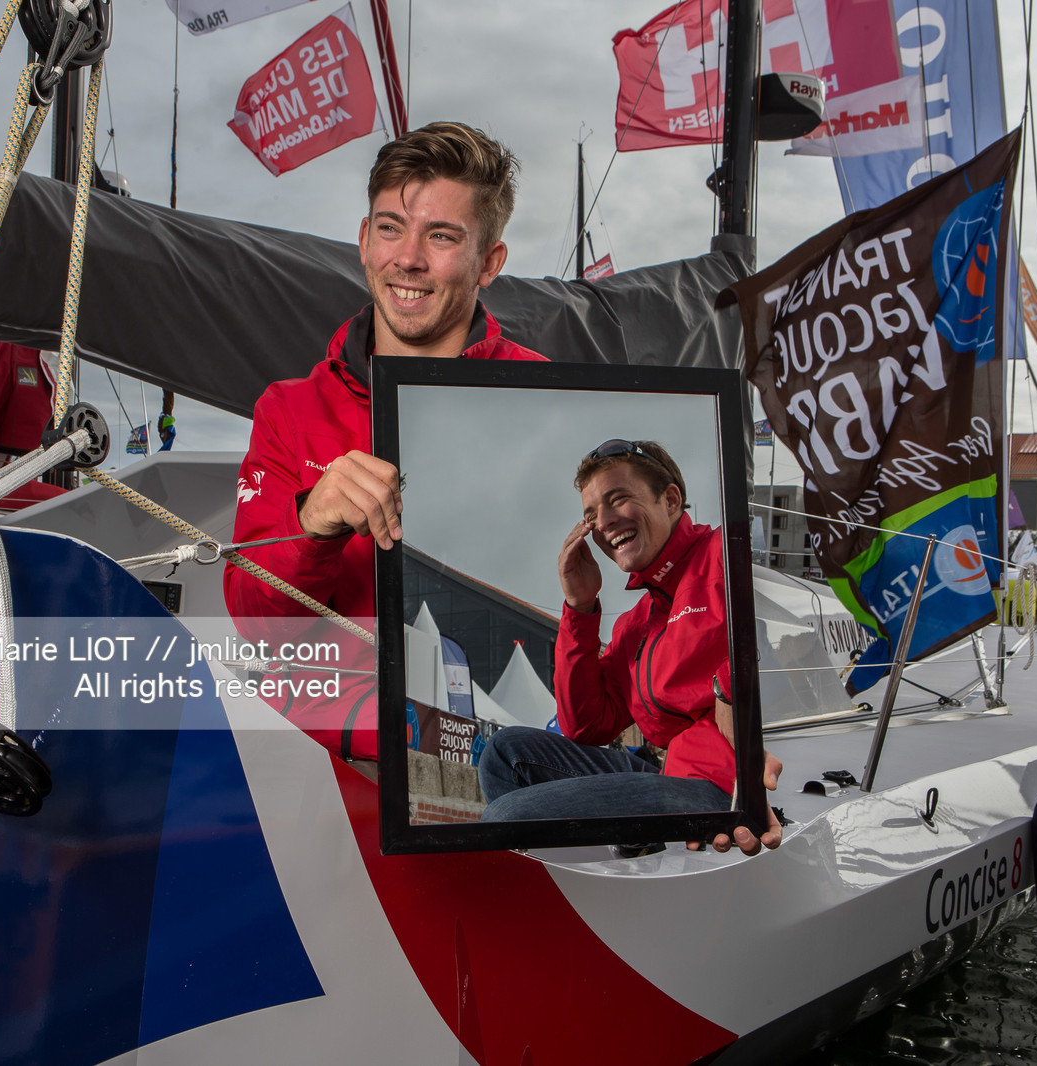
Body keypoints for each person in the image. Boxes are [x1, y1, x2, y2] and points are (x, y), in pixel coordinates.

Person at [222, 121, 545, 762]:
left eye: (442, 236)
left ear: (489, 263)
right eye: (391, 227)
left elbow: (626, 600)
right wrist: (311, 524)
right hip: (331, 772)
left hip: (494, 765)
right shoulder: (289, 410)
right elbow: (258, 630)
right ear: (365, 239)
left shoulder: (544, 398)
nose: (409, 258)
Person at [477, 439, 783, 855]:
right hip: (667, 775)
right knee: (503, 751)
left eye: (617, 499)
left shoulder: (724, 554)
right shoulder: (635, 624)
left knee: (505, 821)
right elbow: (586, 726)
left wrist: (733, 708)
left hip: (719, 784)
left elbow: (770, 634)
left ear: (671, 500)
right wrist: (580, 609)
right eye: (590, 516)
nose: (602, 522)